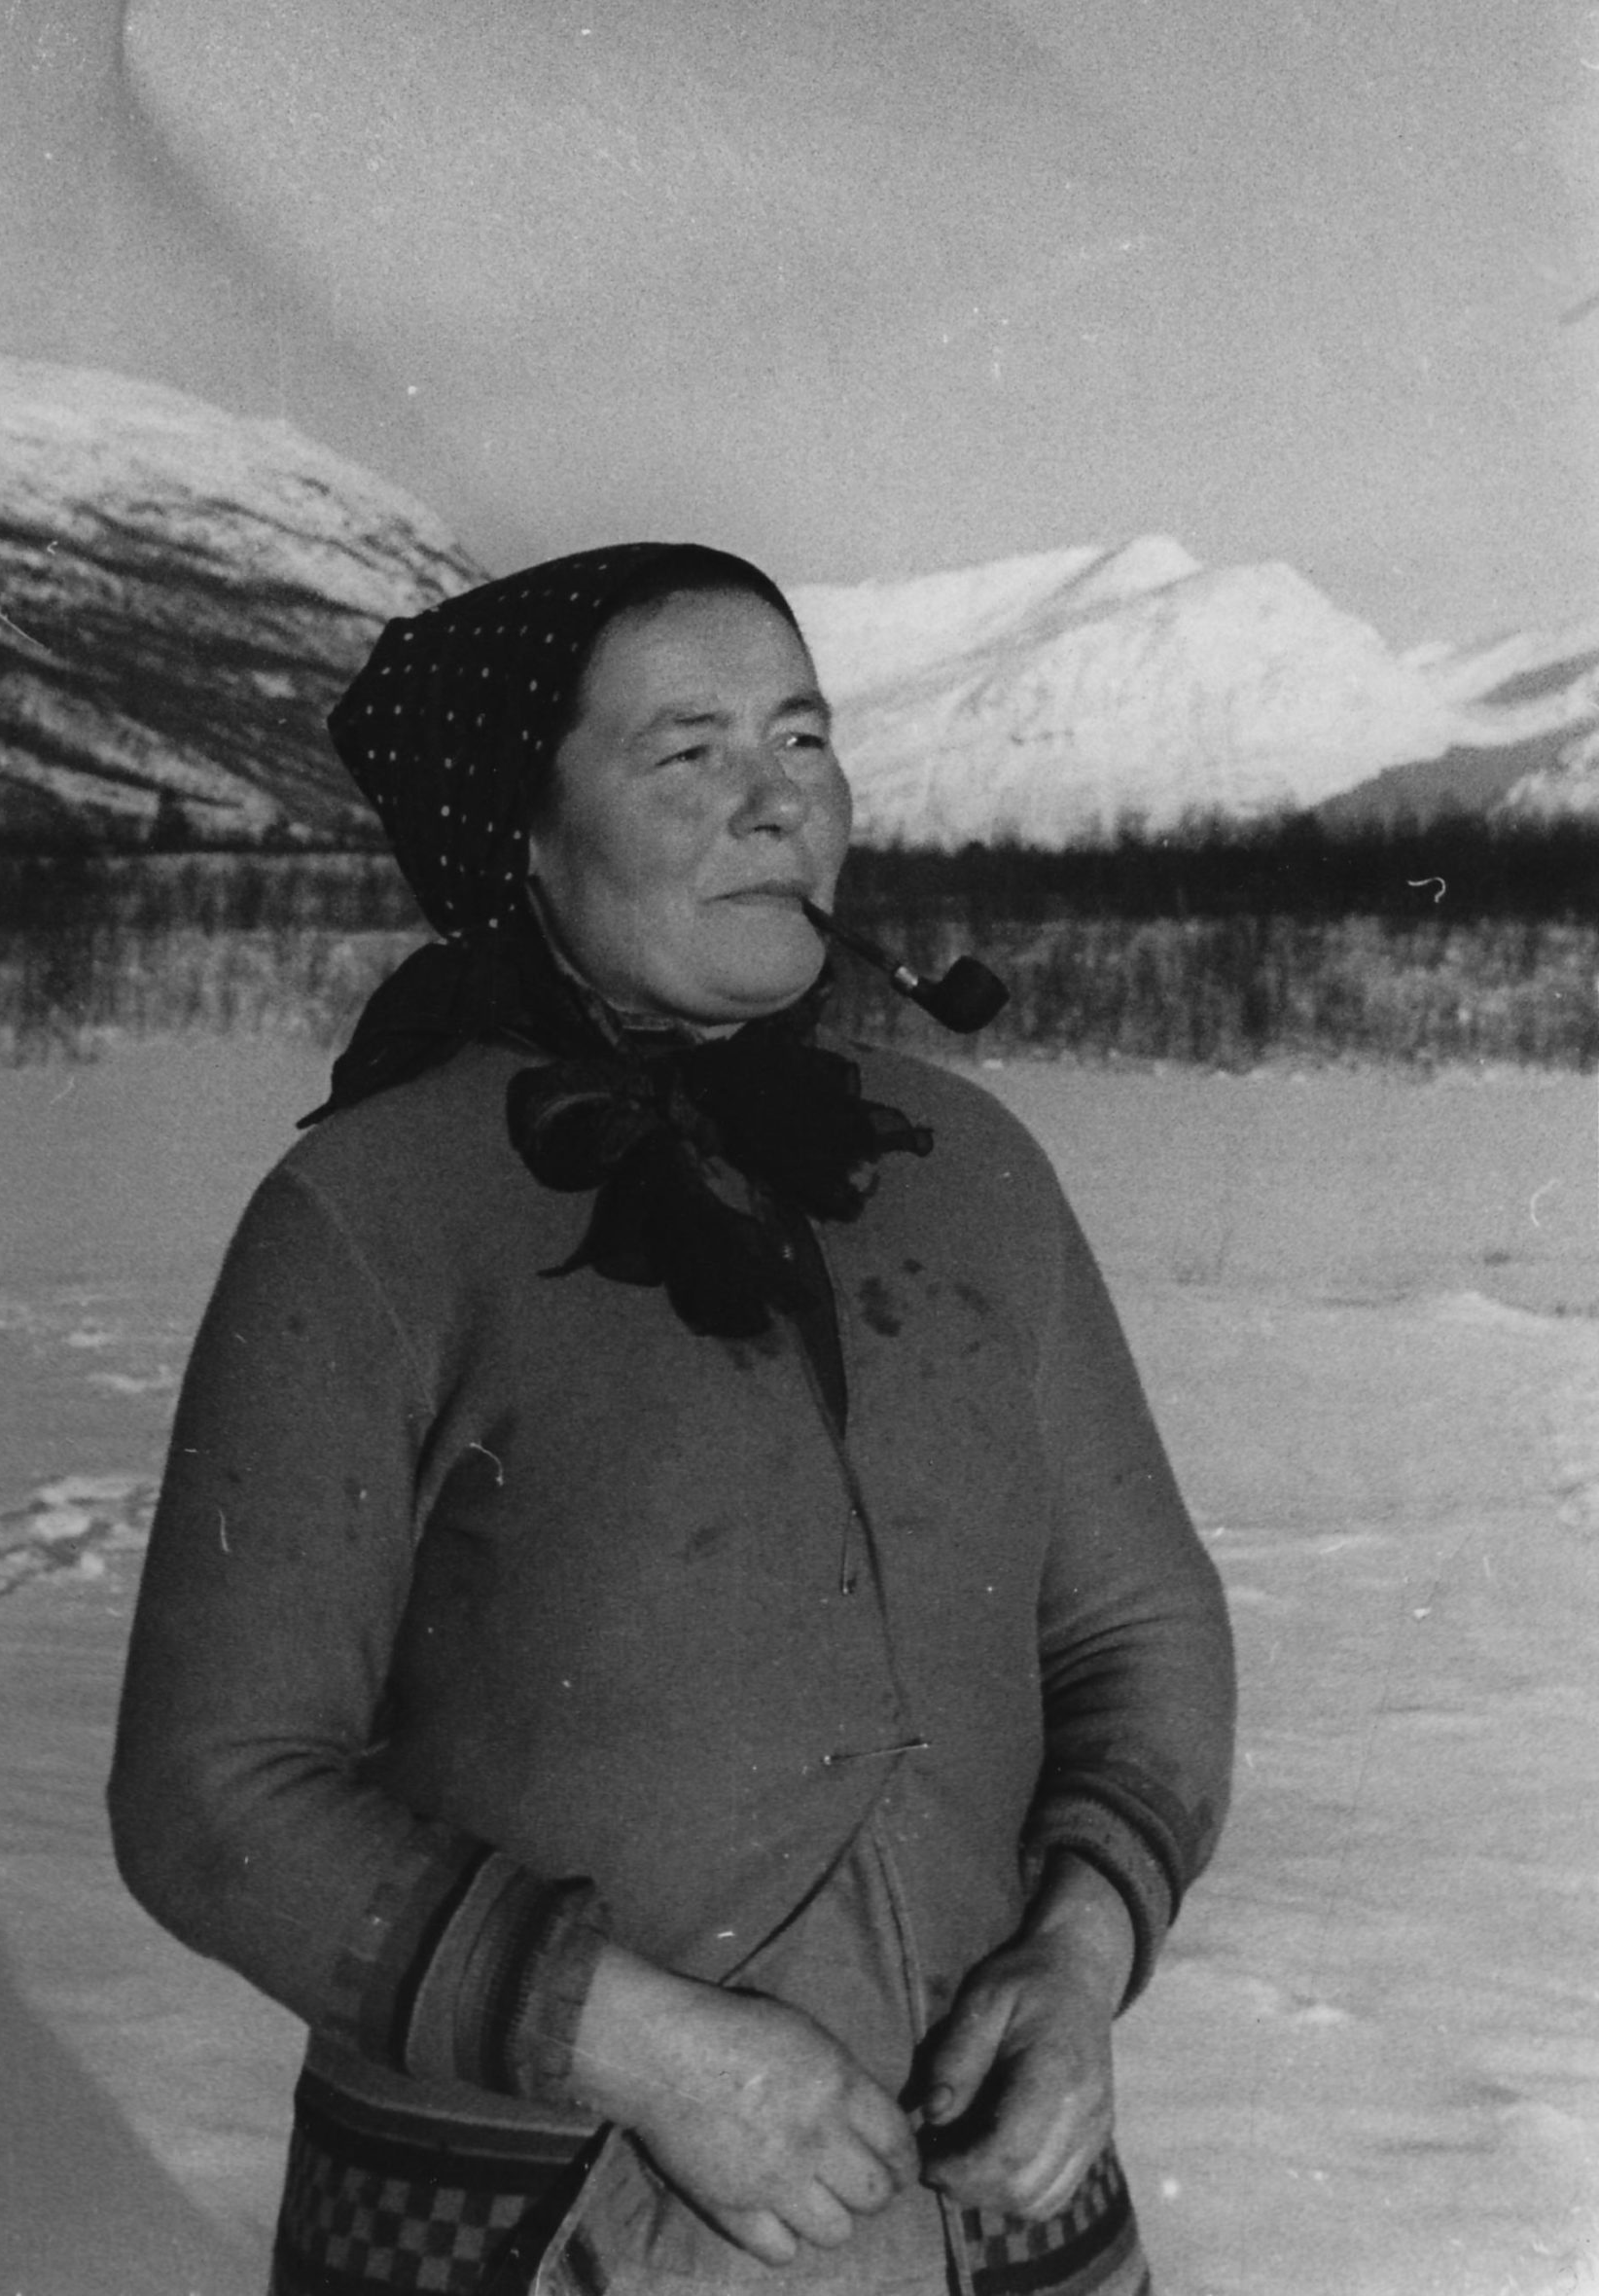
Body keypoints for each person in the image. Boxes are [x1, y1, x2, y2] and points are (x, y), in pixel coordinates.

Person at [109, 542, 1236, 2296]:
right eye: (689, 752)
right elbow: (212, 1796)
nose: (775, 803)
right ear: (525, 837)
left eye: (803, 737)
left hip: (994, 2214)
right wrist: (641, 2047)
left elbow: (1138, 1633)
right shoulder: (370, 1211)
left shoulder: (974, 1172)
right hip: (536, 2226)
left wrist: (1081, 1958)